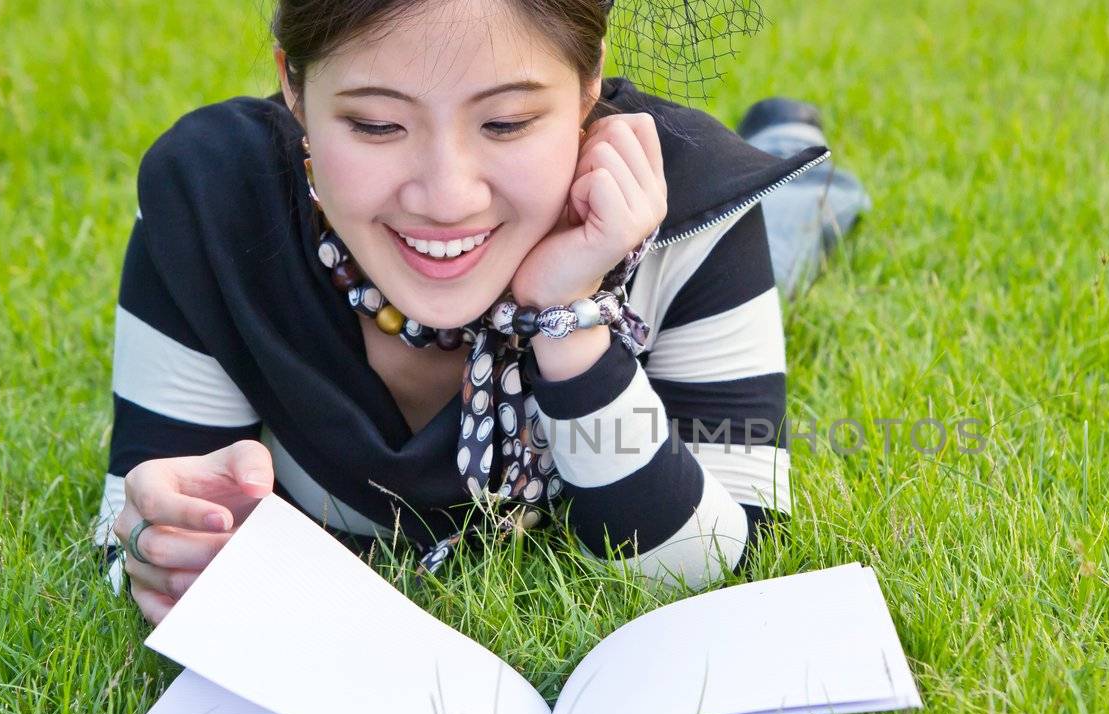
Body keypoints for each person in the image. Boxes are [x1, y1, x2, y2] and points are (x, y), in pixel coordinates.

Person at [88, 0, 869, 624]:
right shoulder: (209, 211)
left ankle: (791, 153)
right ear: (294, 85)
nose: (446, 196)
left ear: (590, 77)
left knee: (792, 230)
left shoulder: (693, 217)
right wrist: (164, 544)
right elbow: (137, 522)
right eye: (376, 124)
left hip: (646, 240)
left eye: (505, 122)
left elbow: (720, 563)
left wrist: (569, 316)